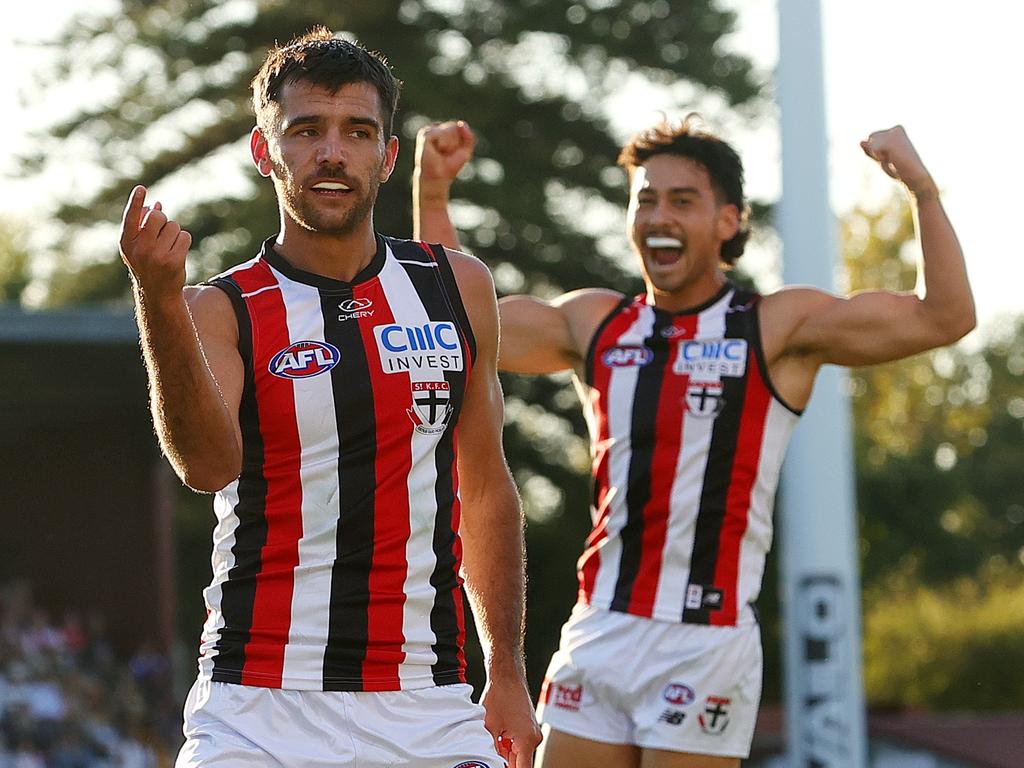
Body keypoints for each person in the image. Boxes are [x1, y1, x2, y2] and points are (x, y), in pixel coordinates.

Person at [413, 116, 975, 767]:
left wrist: (921, 188)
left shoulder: (774, 326)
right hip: (600, 628)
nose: (659, 216)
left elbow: (947, 316)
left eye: (683, 200)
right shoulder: (596, 322)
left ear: (728, 222)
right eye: (646, 199)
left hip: (704, 643)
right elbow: (453, 325)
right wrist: (431, 196)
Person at [117, 28, 542, 768]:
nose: (332, 153)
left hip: (428, 697)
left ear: (388, 155)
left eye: (358, 132)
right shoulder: (222, 308)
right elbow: (208, 465)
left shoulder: (457, 285)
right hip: (260, 703)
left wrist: (505, 669)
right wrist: (157, 300)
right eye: (306, 130)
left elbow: (484, 484)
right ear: (264, 152)